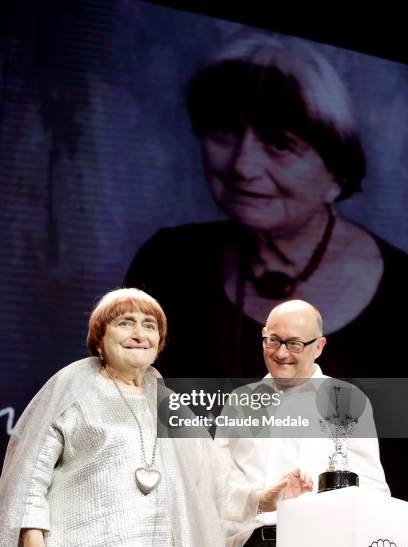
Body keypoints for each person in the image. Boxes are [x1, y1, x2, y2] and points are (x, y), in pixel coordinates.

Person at [0, 288, 313, 547]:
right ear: (99, 337)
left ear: (160, 341)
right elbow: (29, 479)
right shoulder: (73, 388)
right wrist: (33, 543)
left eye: (149, 325)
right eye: (125, 323)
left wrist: (263, 498)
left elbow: (210, 484)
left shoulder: (170, 404)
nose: (139, 334)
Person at [125, 31, 408, 379]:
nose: (243, 166)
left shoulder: (402, 292)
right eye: (225, 133)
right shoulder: (167, 263)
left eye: (279, 144)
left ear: (337, 170)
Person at [216, 299, 390, 547]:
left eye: (295, 344)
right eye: (274, 341)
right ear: (264, 336)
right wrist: (261, 497)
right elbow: (215, 488)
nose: (281, 353)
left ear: (319, 346)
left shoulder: (346, 401)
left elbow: (373, 491)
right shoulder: (239, 403)